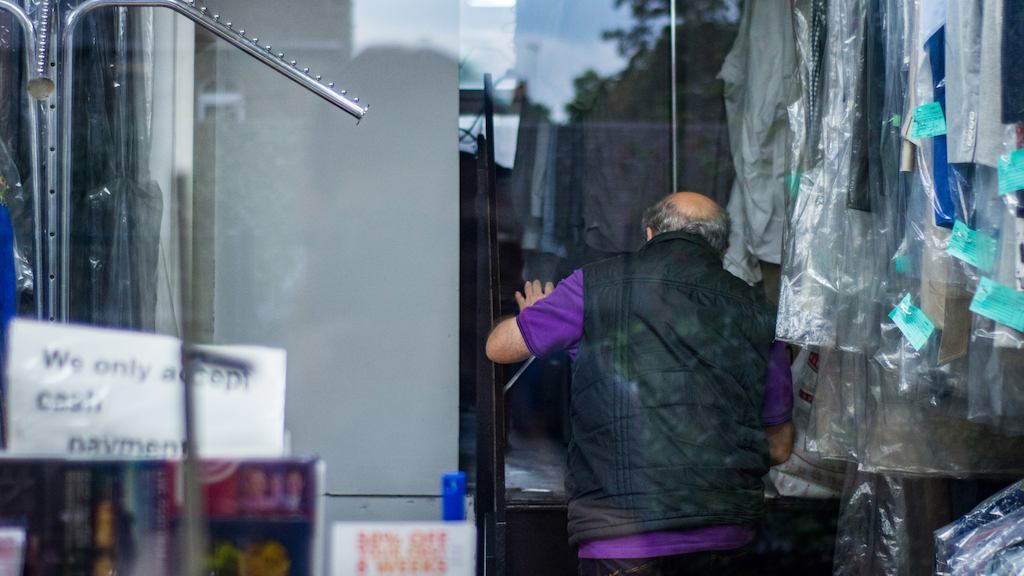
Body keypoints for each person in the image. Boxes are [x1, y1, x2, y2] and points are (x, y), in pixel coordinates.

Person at [486, 192, 795, 575]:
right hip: (725, 535)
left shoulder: (595, 285)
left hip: (621, 537)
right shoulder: (758, 311)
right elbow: (780, 447)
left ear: (649, 235)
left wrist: (538, 318)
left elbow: (499, 348)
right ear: (723, 249)